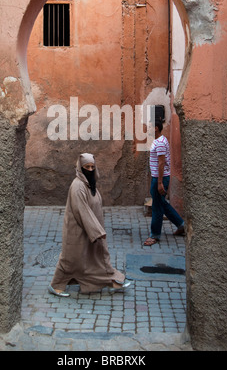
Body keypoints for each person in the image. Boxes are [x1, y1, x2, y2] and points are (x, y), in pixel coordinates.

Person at [48, 152, 131, 297]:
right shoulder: (78, 186)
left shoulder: (88, 184)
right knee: (71, 260)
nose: (91, 170)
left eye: (93, 167)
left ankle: (112, 282)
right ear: (81, 167)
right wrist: (97, 232)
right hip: (79, 231)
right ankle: (56, 286)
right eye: (87, 167)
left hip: (88, 231)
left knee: (91, 260)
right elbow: (82, 211)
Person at [144, 120, 184, 246]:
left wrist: (159, 182)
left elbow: (161, 163)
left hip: (160, 178)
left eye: (150, 127)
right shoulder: (161, 140)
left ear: (156, 128)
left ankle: (154, 235)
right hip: (158, 177)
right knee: (162, 203)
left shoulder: (160, 142)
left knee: (157, 206)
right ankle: (181, 224)